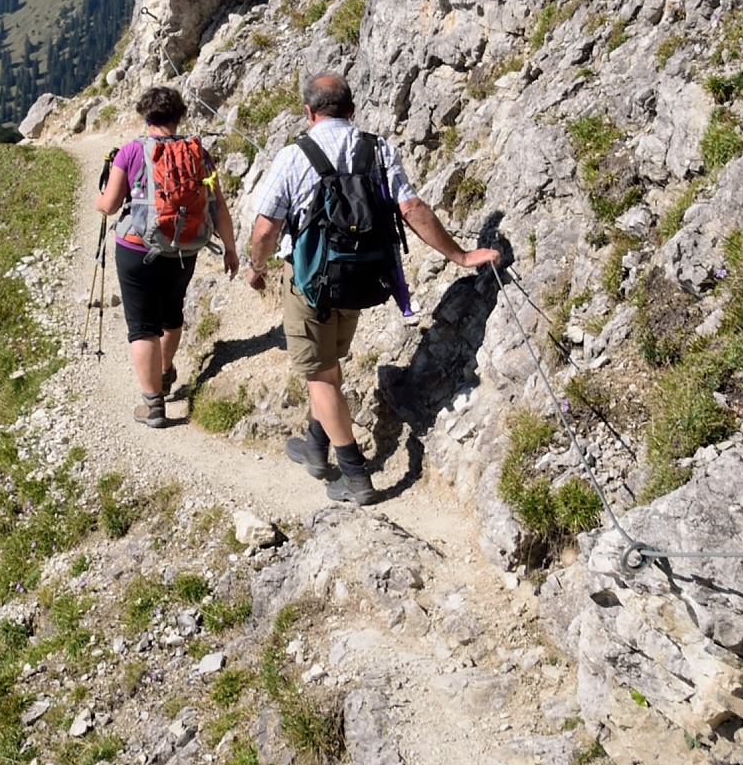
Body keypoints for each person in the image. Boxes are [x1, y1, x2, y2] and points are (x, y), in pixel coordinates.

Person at [245, 73, 501, 504]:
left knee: (319, 376)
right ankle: (315, 446)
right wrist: (459, 256)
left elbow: (266, 227)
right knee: (328, 367)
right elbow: (411, 209)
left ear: (309, 112)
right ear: (351, 109)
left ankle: (354, 475)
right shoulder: (378, 149)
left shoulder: (294, 156)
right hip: (360, 279)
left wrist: (256, 268)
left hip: (309, 283)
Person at [94, 86, 239, 427]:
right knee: (171, 314)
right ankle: (163, 372)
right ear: (179, 116)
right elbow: (218, 206)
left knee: (142, 326)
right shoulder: (198, 153)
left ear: (145, 116)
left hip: (136, 248)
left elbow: (110, 205)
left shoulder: (131, 151)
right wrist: (230, 249)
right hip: (184, 248)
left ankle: (153, 405)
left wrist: (98, 201)